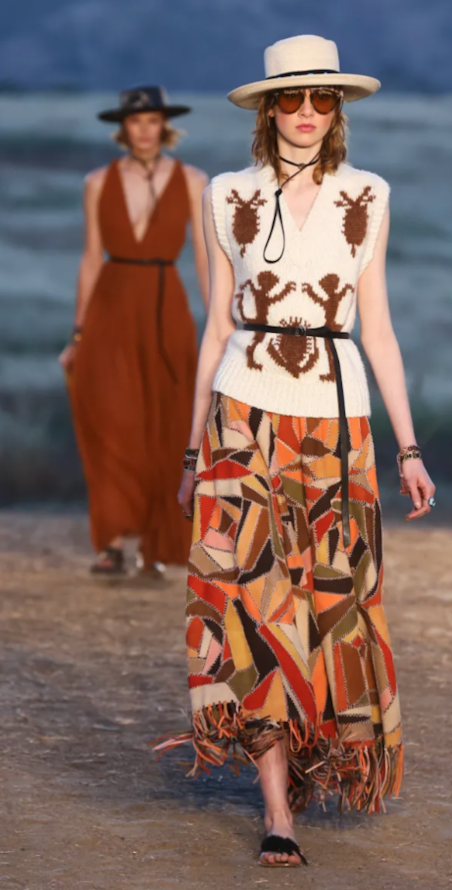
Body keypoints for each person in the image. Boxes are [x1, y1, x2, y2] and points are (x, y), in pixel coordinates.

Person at [162, 35, 436, 867]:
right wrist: (190, 453)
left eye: (323, 98)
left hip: (334, 423)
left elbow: (377, 328)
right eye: (292, 97)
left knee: (332, 603)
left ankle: (317, 758)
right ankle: (276, 808)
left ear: (337, 108)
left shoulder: (367, 194)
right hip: (241, 417)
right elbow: (216, 327)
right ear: (268, 108)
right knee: (247, 603)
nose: (308, 111)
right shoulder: (226, 193)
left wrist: (409, 448)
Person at [59, 86, 209, 575]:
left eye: (152, 120)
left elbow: (204, 258)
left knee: (167, 421)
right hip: (112, 306)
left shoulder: (193, 181)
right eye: (136, 121)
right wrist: (78, 334)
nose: (144, 129)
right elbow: (90, 258)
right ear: (123, 127)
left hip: (166, 307)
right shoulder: (97, 182)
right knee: (112, 420)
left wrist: (221, 326)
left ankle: (154, 545)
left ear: (164, 125)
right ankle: (113, 540)